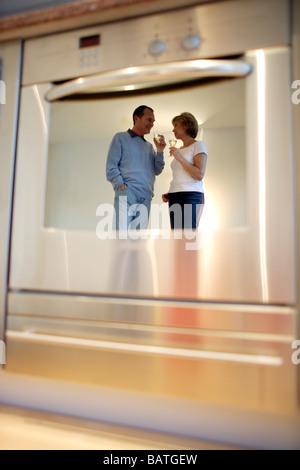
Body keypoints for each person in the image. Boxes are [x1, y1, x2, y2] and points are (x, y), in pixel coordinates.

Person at [106, 105, 166, 230]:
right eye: (149, 120)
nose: (152, 124)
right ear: (136, 118)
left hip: (145, 197)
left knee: (139, 242)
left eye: (153, 122)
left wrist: (160, 151)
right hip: (127, 193)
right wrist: (121, 186)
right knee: (121, 238)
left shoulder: (149, 147)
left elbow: (157, 170)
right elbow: (111, 167)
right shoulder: (120, 138)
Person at [162, 112, 208, 230]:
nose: (173, 130)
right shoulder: (180, 150)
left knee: (188, 238)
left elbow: (199, 174)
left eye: (176, 125)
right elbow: (180, 175)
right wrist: (171, 192)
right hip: (174, 195)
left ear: (186, 125)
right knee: (177, 238)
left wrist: (180, 158)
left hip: (191, 195)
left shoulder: (198, 145)